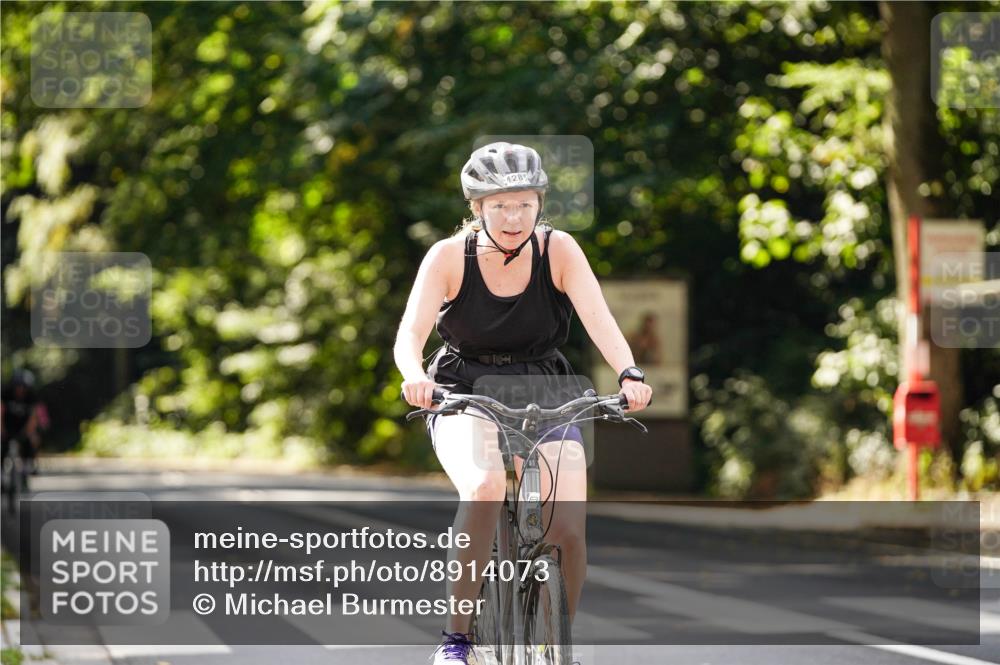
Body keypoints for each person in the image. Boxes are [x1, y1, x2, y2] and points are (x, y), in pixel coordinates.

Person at [394, 142, 653, 665]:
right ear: (477, 208)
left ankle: (554, 645)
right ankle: (456, 640)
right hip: (462, 388)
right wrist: (414, 377)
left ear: (540, 203)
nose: (513, 217)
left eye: (524, 204)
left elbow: (598, 319)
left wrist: (628, 371)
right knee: (486, 486)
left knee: (568, 531)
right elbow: (410, 334)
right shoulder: (449, 256)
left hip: (547, 388)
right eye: (499, 206)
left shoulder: (558, 250)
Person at [1, 369, 42, 478]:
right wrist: (1, 428)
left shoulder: (31, 396)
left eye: (23, 387)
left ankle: (28, 466)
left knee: (30, 441)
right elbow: (1, 411)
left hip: (24, 426)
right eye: (18, 386)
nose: (20, 389)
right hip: (7, 424)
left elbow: (33, 416)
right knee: (2, 445)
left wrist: (29, 432)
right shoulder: (6, 393)